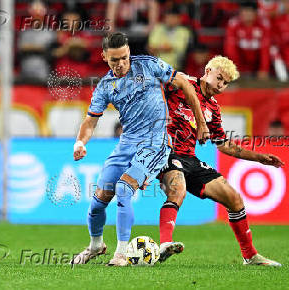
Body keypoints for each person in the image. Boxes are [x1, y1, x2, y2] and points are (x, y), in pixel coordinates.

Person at [71, 32, 209, 266]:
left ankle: (121, 253)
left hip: (155, 142)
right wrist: (80, 142)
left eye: (124, 57)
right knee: (98, 200)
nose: (121, 64)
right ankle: (96, 245)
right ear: (104, 57)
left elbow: (184, 83)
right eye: (115, 60)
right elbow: (91, 120)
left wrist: (201, 123)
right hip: (127, 143)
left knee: (124, 188)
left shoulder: (149, 65)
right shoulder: (105, 86)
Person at [158, 56, 284, 266]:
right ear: (207, 71)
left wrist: (259, 158)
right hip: (165, 152)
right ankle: (165, 244)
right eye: (219, 78)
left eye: (225, 83)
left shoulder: (213, 108)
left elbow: (224, 145)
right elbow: (160, 82)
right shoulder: (182, 84)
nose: (221, 85)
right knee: (177, 190)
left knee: (234, 199)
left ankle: (250, 255)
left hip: (189, 157)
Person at [224, 1, 271, 80]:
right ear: (240, 13)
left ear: (256, 13)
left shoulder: (264, 24)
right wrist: (235, 68)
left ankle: (283, 79)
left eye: (250, 12)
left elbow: (265, 50)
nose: (247, 15)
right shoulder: (233, 24)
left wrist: (264, 69)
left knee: (274, 51)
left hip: (257, 62)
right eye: (244, 11)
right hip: (241, 62)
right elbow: (231, 49)